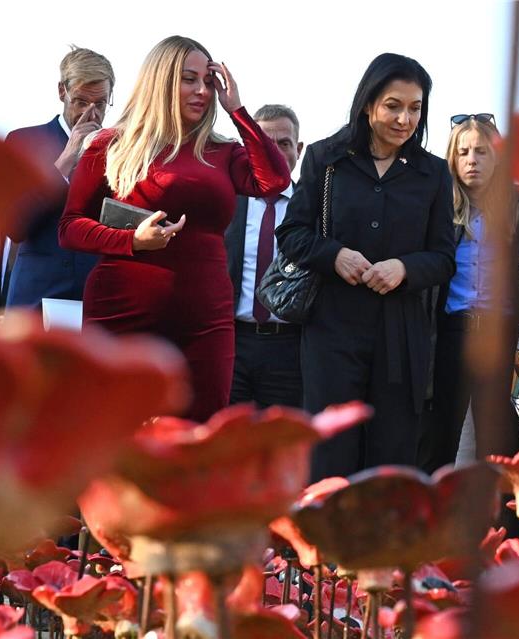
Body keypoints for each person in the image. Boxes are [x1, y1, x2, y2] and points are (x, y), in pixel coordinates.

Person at [58, 36, 290, 421]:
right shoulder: (111, 145)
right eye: (188, 79)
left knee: (200, 437)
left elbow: (274, 181)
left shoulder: (223, 151)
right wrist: (132, 239)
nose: (202, 91)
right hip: (123, 314)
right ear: (161, 81)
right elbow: (69, 227)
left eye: (208, 81)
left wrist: (238, 110)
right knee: (116, 435)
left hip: (206, 319)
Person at [275, 53, 456, 482]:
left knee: (390, 457)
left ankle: (380, 549)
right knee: (329, 453)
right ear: (368, 104)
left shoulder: (433, 173)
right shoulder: (325, 159)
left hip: (401, 336)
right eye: (394, 105)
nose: (405, 119)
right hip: (331, 330)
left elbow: (444, 257)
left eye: (415, 108)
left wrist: (405, 268)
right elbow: (292, 233)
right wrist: (334, 255)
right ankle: (320, 548)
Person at [419, 113, 519, 474]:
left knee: (500, 441)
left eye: (481, 152)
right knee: (441, 435)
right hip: (453, 331)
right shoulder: (439, 208)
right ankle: (439, 521)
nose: (471, 161)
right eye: (462, 152)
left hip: (505, 332)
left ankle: (502, 527)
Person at [4, 46, 115, 309]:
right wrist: (64, 161)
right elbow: (14, 226)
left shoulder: (121, 150)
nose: (92, 113)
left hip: (97, 302)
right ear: (61, 91)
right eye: (81, 102)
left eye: (100, 103)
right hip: (35, 300)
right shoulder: (23, 142)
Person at [224, 104, 304, 408]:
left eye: (283, 144)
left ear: (298, 149)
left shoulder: (313, 209)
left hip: (290, 348)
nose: (274, 153)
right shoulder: (227, 204)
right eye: (264, 144)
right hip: (232, 342)